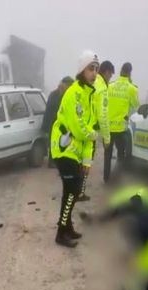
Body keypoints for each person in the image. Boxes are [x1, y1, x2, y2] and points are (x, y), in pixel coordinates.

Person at [51, 50, 100, 248]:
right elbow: (81, 130)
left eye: (96, 69)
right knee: (72, 191)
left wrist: (87, 161)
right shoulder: (74, 93)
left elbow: (91, 130)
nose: (94, 73)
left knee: (73, 190)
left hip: (76, 152)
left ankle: (67, 226)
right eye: (91, 68)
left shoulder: (90, 96)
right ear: (82, 70)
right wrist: (93, 134)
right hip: (63, 149)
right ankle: (61, 232)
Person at [78, 60, 114, 201]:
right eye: (110, 75)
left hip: (79, 127)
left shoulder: (88, 81)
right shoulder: (101, 87)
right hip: (90, 131)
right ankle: (79, 192)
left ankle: (75, 189)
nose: (110, 78)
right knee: (86, 161)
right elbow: (102, 115)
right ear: (106, 72)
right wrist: (106, 138)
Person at [106, 62, 139, 183]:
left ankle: (106, 178)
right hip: (121, 127)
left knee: (107, 154)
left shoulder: (110, 85)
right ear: (130, 73)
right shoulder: (132, 88)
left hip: (109, 126)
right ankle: (115, 179)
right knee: (121, 154)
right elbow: (135, 105)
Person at [42, 76, 74, 167]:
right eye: (69, 86)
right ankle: (52, 162)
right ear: (65, 85)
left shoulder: (56, 94)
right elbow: (57, 109)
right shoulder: (58, 95)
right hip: (53, 122)